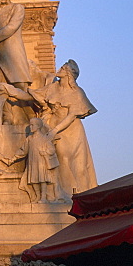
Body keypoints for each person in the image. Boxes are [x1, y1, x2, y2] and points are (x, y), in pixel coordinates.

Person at [32, 59, 97, 195]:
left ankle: (76, 193)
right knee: (60, 157)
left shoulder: (77, 92)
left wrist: (54, 131)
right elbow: (36, 95)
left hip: (71, 130)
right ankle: (62, 192)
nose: (60, 68)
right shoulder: (53, 87)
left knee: (75, 163)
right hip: (54, 125)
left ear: (68, 74)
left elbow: (71, 116)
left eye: (63, 68)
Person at [9, 117, 63, 203]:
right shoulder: (30, 139)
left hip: (41, 162)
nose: (30, 127)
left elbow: (51, 149)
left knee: (42, 180)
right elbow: (23, 150)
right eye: (30, 125)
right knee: (33, 180)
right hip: (32, 162)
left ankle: (43, 197)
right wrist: (14, 158)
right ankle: (37, 196)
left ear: (38, 126)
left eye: (32, 125)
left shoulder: (44, 138)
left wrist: (45, 152)